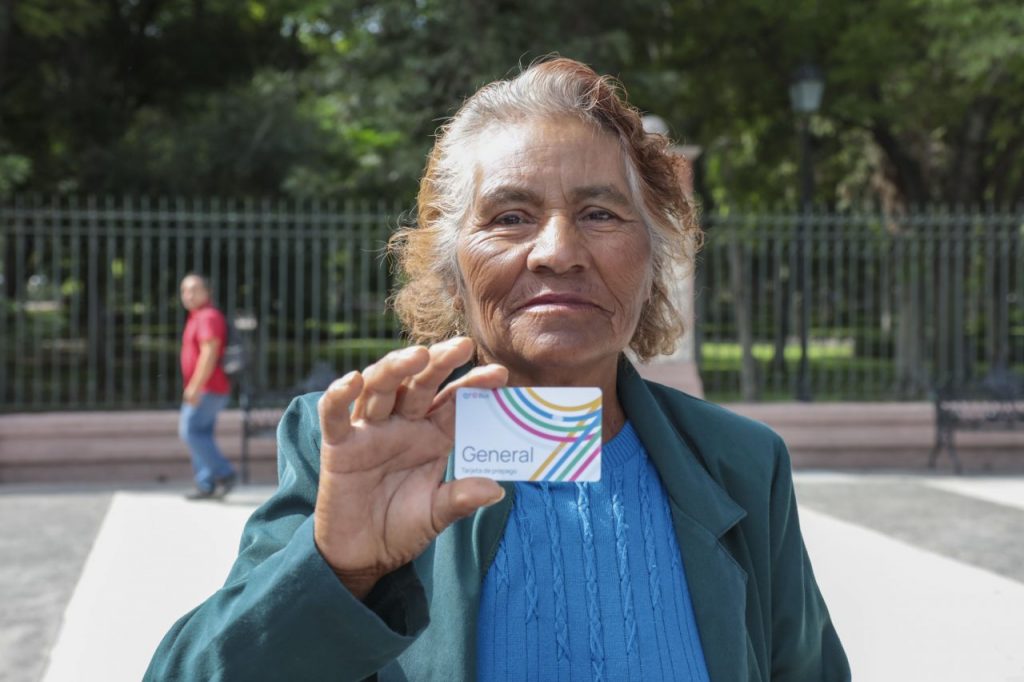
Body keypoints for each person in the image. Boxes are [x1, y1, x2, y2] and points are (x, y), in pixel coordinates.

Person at [147, 59, 849, 680]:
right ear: (451, 269)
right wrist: (337, 571)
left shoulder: (739, 464)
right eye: (510, 216)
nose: (557, 252)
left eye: (600, 214)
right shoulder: (354, 446)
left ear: (654, 261)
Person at [178, 273, 237, 500]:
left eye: (194, 289)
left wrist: (195, 386)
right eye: (185, 290)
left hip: (209, 387)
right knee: (201, 434)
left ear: (207, 292)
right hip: (209, 387)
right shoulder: (198, 316)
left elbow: (209, 353)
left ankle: (225, 473)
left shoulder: (208, 317)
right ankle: (206, 483)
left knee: (190, 431)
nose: (188, 295)